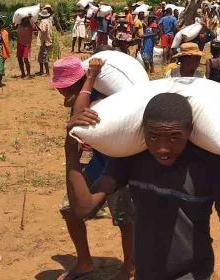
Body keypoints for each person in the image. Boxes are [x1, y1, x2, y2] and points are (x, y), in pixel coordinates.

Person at [65, 87, 220, 280]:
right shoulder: (131, 158)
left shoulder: (210, 163)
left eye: (174, 137)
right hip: (145, 271)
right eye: (153, 137)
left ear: (189, 131)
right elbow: (84, 208)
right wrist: (70, 147)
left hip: (191, 274)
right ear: (143, 132)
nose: (163, 148)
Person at [52, 57, 136, 280]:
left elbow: (79, 119)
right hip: (97, 163)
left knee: (125, 218)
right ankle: (84, 262)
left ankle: (129, 266)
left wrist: (90, 79)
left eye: (64, 87)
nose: (61, 92)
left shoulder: (102, 97)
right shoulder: (83, 95)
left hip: (117, 163)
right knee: (70, 210)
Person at [37, 9, 54, 76]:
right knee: (42, 57)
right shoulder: (48, 21)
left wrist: (37, 26)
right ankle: (42, 71)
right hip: (47, 40)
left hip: (44, 41)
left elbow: (43, 30)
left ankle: (46, 72)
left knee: (43, 57)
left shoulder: (43, 22)